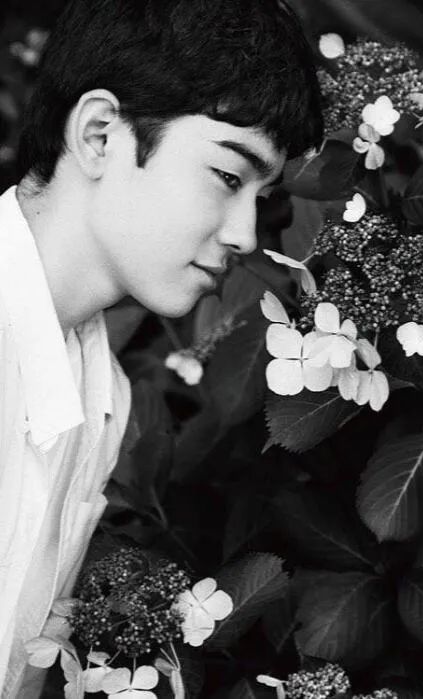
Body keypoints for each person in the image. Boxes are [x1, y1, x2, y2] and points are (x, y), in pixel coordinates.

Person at [0, 0, 323, 695]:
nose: (245, 234)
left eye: (261, 196)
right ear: (99, 135)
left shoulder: (104, 396)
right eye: (228, 177)